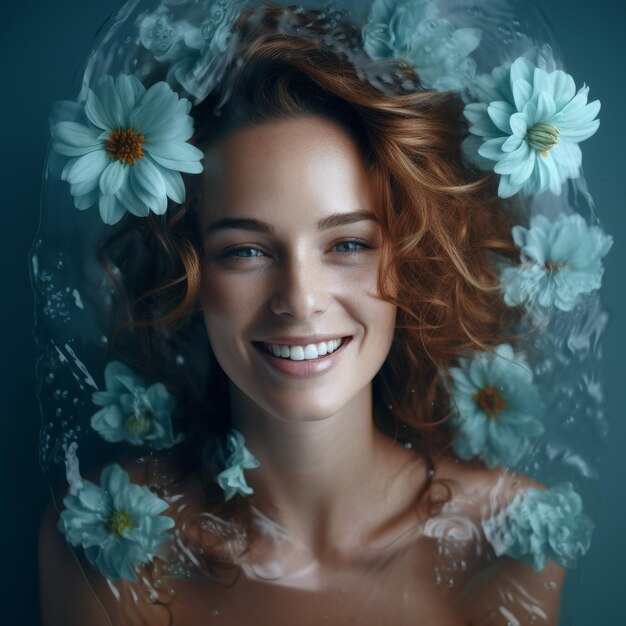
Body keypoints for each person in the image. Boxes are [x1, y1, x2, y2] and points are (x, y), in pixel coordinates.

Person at [36, 1, 608, 625]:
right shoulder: (106, 543)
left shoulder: (509, 543)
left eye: (348, 245)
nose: (301, 299)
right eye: (246, 250)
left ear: (411, 258)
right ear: (188, 271)